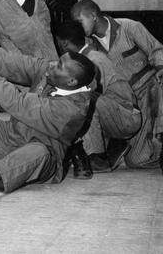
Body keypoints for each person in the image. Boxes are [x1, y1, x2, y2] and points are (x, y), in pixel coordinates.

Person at [0, 36, 96, 193]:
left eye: (59, 66)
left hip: (39, 157)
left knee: (39, 153)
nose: (51, 64)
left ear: (71, 82)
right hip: (9, 137)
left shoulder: (72, 110)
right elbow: (9, 61)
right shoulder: (48, 71)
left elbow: (16, 102)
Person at [71, 0, 163, 171]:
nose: (77, 27)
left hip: (148, 94)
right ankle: (110, 147)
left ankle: (156, 144)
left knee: (137, 161)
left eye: (79, 21)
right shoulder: (90, 47)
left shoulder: (129, 27)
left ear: (93, 15)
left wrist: (160, 67)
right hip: (124, 105)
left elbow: (157, 50)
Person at [54, 21, 141, 173]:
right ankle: (113, 146)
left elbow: (90, 97)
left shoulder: (93, 60)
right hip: (117, 113)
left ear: (64, 43)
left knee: (84, 99)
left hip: (127, 116)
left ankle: (97, 157)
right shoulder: (85, 57)